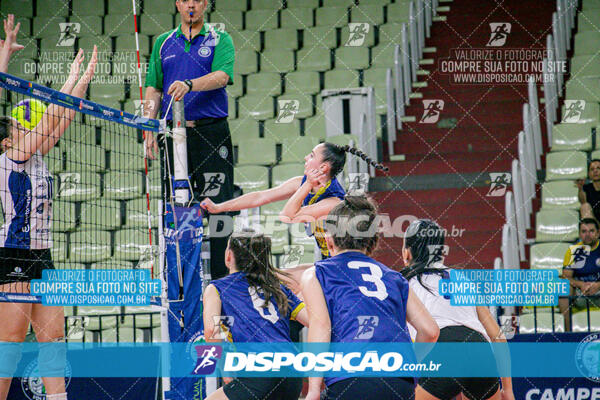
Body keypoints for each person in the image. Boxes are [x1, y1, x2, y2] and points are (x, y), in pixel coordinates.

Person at [0, 15, 98, 400]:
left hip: (43, 255)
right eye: (21, 126)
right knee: (9, 342)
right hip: (14, 255)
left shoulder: (37, 154)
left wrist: (81, 78)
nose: (30, 129)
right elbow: (47, 121)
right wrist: (69, 82)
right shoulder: (13, 158)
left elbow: (60, 118)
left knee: (53, 337)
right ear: (8, 140)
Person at [301, 196, 439, 400]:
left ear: (329, 241)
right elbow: (430, 331)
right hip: (399, 381)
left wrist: (313, 389)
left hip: (351, 377)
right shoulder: (395, 278)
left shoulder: (316, 274)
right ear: (373, 240)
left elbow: (321, 327)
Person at [143, 0, 235, 279]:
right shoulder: (163, 42)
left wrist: (190, 84)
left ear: (205, 3)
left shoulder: (220, 38)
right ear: (178, 4)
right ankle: (180, 280)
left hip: (211, 133)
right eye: (185, 0)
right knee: (178, 207)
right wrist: (149, 126)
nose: (191, 4)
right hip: (173, 136)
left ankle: (222, 281)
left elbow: (222, 76)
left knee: (219, 208)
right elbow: (154, 88)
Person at [401, 219, 514, 400]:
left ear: (407, 253)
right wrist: (507, 389)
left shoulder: (403, 282)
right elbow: (498, 337)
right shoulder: (462, 279)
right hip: (480, 350)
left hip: (443, 348)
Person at [202, 229, 309, 400]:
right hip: (292, 371)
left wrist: (225, 370)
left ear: (228, 256)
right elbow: (314, 321)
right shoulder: (277, 287)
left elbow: (211, 331)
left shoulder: (216, 288)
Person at [560, 218, 600, 331]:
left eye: (591, 231)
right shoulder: (573, 251)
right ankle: (568, 333)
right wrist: (581, 284)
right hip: (581, 293)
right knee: (564, 287)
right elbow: (566, 276)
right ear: (579, 234)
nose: (587, 235)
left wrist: (597, 285)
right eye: (584, 231)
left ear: (598, 232)